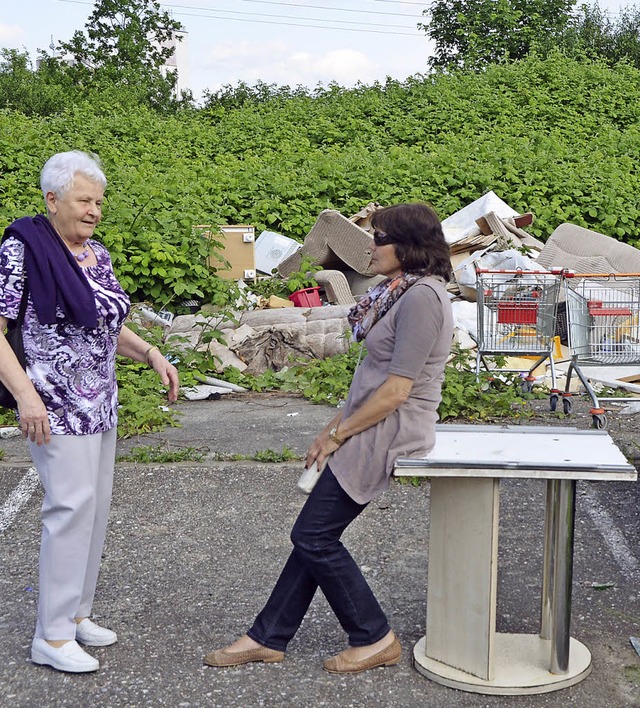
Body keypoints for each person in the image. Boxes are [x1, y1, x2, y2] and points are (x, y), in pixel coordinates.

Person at [204, 202, 454, 674]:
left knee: (313, 536)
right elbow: (374, 374)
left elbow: (398, 389)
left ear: (409, 247)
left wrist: (340, 434)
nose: (370, 246)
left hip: (390, 429)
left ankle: (374, 636)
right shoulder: (398, 291)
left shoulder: (422, 298)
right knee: (315, 535)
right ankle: (267, 636)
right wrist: (332, 427)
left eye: (379, 238)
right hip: (368, 422)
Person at [0, 150, 179, 674]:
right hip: (54, 404)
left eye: (99, 201)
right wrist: (26, 395)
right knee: (69, 510)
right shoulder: (21, 249)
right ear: (53, 199)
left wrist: (148, 351)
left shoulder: (94, 254)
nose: (94, 210)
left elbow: (105, 322)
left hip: (100, 402)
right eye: (84, 200)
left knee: (93, 511)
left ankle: (76, 617)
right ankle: (51, 637)